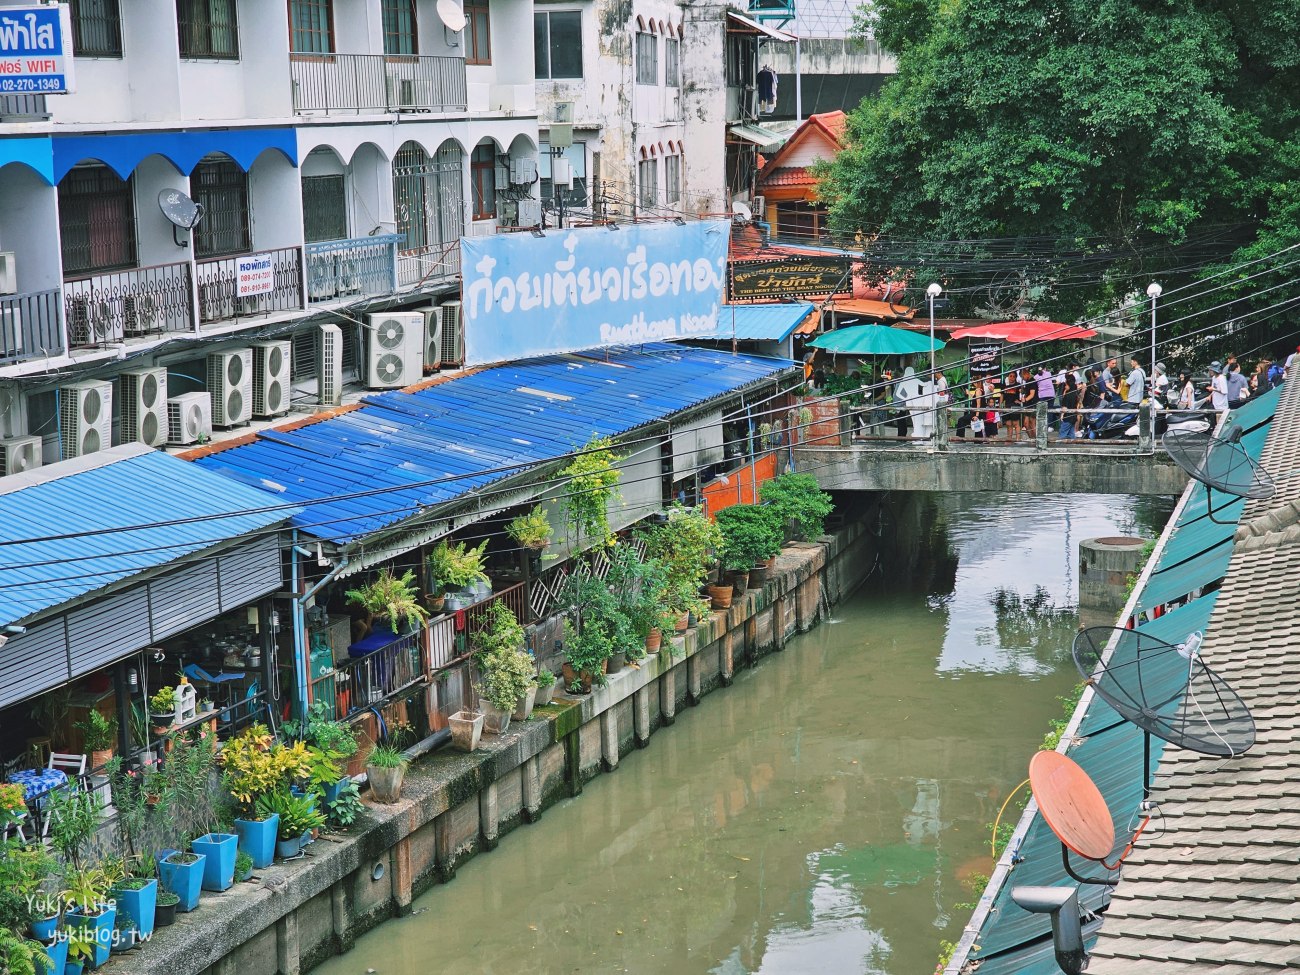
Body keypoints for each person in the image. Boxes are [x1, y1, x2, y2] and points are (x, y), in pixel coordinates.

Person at [1057, 375, 1080, 440]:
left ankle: (1060, 447)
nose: (1065, 386)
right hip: (1073, 417)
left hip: (1067, 417)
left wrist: (1062, 416)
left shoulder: (1067, 395)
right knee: (1071, 434)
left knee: (1062, 433)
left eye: (1066, 385)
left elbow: (1065, 408)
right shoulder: (1075, 394)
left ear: (1069, 385)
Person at [1019, 366, 1038, 440]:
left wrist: (1025, 399)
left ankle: (1037, 438)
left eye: (1022, 376)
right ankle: (1032, 438)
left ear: (1026, 374)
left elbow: (1032, 394)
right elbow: (1027, 392)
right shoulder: (1027, 382)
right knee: (1026, 423)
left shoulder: (1032, 381)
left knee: (1032, 422)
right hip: (1028, 404)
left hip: (1032, 403)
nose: (1022, 378)